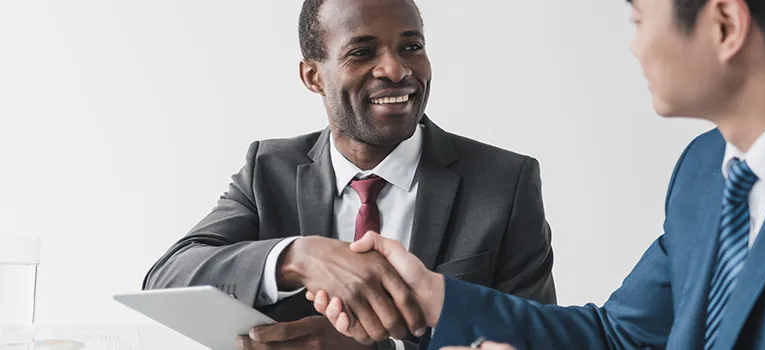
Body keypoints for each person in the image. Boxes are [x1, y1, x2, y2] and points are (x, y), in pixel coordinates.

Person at [309, 0, 765, 348]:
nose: (634, 46)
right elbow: (618, 337)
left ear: (725, 25)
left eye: (639, 18)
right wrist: (431, 298)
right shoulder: (705, 169)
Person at [142, 0, 557, 349]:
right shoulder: (268, 170)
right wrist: (297, 257)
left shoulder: (505, 182)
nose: (395, 70)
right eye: (362, 52)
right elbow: (167, 281)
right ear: (313, 77)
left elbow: (537, 338)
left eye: (410, 46)